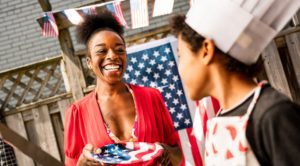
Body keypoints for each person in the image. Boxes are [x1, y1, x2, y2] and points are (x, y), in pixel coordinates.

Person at [171, 0, 300, 165]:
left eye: (181, 56)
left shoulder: (274, 115)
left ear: (206, 50)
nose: (179, 67)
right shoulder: (219, 119)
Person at [64, 11, 182, 166]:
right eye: (102, 51)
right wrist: (82, 163)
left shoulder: (152, 97)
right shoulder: (77, 113)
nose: (112, 56)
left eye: (119, 50)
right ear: (89, 62)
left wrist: (165, 151)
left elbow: (178, 154)